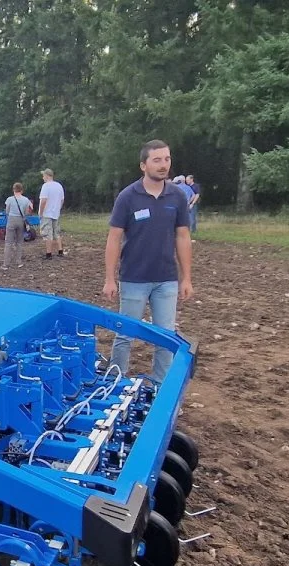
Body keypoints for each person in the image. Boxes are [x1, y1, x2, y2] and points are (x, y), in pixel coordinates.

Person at [104, 140, 194, 384]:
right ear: (143, 165)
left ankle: (159, 385)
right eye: (157, 160)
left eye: (167, 159)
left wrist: (186, 278)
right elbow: (114, 238)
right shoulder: (127, 197)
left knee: (165, 335)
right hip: (134, 278)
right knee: (125, 334)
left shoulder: (176, 196)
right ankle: (115, 381)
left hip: (166, 279)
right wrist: (110, 279)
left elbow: (183, 236)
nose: (163, 165)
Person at [2, 182, 34, 270]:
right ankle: (19, 262)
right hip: (20, 220)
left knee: (8, 242)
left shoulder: (9, 199)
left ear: (13, 190)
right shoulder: (25, 200)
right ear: (22, 190)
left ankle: (6, 264)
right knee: (19, 242)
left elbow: (7, 211)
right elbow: (27, 212)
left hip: (11, 220)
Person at [38, 169, 66, 258]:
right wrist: (58, 208)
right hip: (56, 213)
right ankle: (60, 251)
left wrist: (40, 212)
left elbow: (43, 201)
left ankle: (48, 253)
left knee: (47, 233)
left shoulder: (45, 186)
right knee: (57, 232)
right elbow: (62, 200)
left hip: (47, 213)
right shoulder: (59, 186)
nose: (43, 178)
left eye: (43, 176)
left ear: (47, 176)